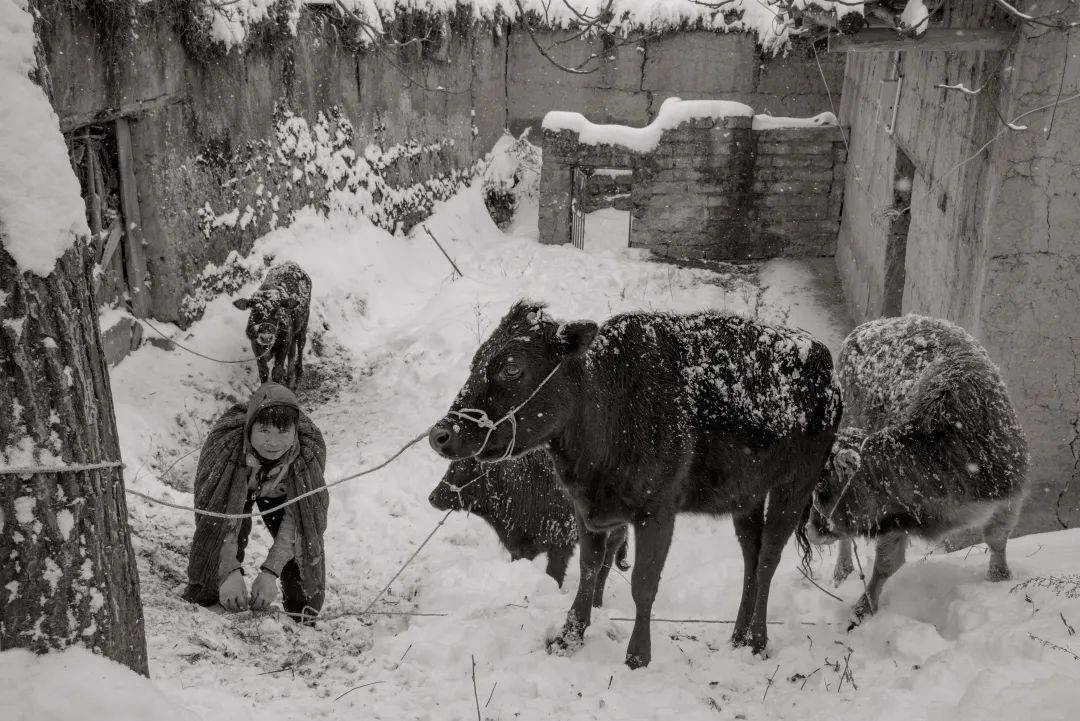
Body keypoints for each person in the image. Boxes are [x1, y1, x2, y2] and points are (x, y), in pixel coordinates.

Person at [182, 382, 328, 623]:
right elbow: (215, 514)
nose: (273, 443)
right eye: (264, 431)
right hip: (238, 487)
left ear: (295, 431)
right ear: (249, 428)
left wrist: (270, 572)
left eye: (283, 433)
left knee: (304, 550)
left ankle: (299, 608)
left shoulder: (306, 454)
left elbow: (301, 520)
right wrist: (229, 570)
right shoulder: (226, 447)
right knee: (217, 551)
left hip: (281, 491)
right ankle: (215, 591)